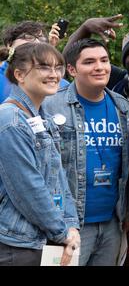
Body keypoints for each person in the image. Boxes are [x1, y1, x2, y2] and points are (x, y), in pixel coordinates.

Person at [43, 39, 129, 266]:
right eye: (89, 62)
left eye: (104, 60)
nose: (100, 67)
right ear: (71, 70)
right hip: (67, 226)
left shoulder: (123, 107)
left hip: (113, 222)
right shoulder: (50, 106)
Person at [0, 43, 80, 266]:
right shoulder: (10, 121)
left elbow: (60, 177)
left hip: (45, 238)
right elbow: (28, 187)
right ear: (20, 74)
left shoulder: (41, 116)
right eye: (44, 67)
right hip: (17, 245)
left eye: (58, 67)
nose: (54, 75)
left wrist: (71, 225)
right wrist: (62, 233)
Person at [1, 20, 69, 102]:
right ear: (9, 45)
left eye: (41, 38)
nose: (36, 42)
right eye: (28, 37)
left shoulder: (60, 84)